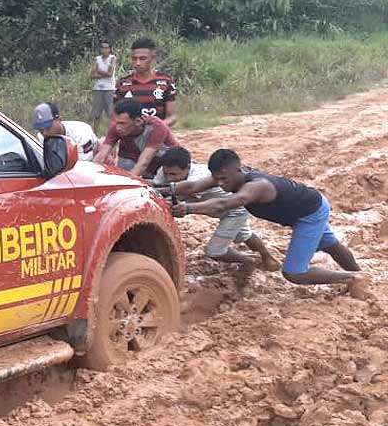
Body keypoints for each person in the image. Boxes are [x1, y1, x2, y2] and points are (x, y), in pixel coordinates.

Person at [172, 148, 368, 295]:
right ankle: (360, 276)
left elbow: (227, 203)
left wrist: (189, 208)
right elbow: (192, 186)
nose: (221, 184)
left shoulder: (258, 186)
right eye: (217, 179)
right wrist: (159, 188)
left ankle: (353, 277)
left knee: (294, 273)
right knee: (330, 244)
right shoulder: (230, 176)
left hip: (309, 214)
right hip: (305, 207)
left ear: (238, 170)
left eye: (224, 179)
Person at [154, 147, 278, 271]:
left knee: (214, 251)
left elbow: (189, 190)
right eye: (166, 174)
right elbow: (156, 185)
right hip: (219, 208)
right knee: (244, 235)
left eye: (174, 174)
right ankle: (266, 257)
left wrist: (181, 206)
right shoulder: (164, 170)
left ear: (187, 167)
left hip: (234, 210)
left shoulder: (199, 175)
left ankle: (247, 260)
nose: (169, 178)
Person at [93, 98, 179, 178]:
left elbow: (144, 162)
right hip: (135, 161)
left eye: (123, 123)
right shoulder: (116, 127)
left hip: (165, 167)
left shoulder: (157, 127)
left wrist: (125, 184)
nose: (118, 128)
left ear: (138, 121)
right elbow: (101, 156)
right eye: (117, 122)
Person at [115, 38, 178, 126]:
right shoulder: (122, 84)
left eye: (142, 59)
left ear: (152, 58)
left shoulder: (166, 82)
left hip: (158, 135)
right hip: (131, 137)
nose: (137, 63)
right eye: (134, 59)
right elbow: (115, 117)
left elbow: (172, 117)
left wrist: (158, 126)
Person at [32, 102, 99, 161]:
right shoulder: (41, 137)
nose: (44, 133)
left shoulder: (82, 132)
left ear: (59, 120)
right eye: (40, 129)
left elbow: (81, 165)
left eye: (48, 127)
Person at [88, 40, 117, 133]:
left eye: (106, 48)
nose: (104, 50)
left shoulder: (112, 58)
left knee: (111, 113)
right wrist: (101, 73)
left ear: (110, 49)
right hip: (98, 88)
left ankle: (112, 134)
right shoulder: (97, 59)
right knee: (97, 113)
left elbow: (110, 73)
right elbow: (91, 75)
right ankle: (95, 134)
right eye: (102, 47)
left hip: (109, 88)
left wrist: (99, 71)